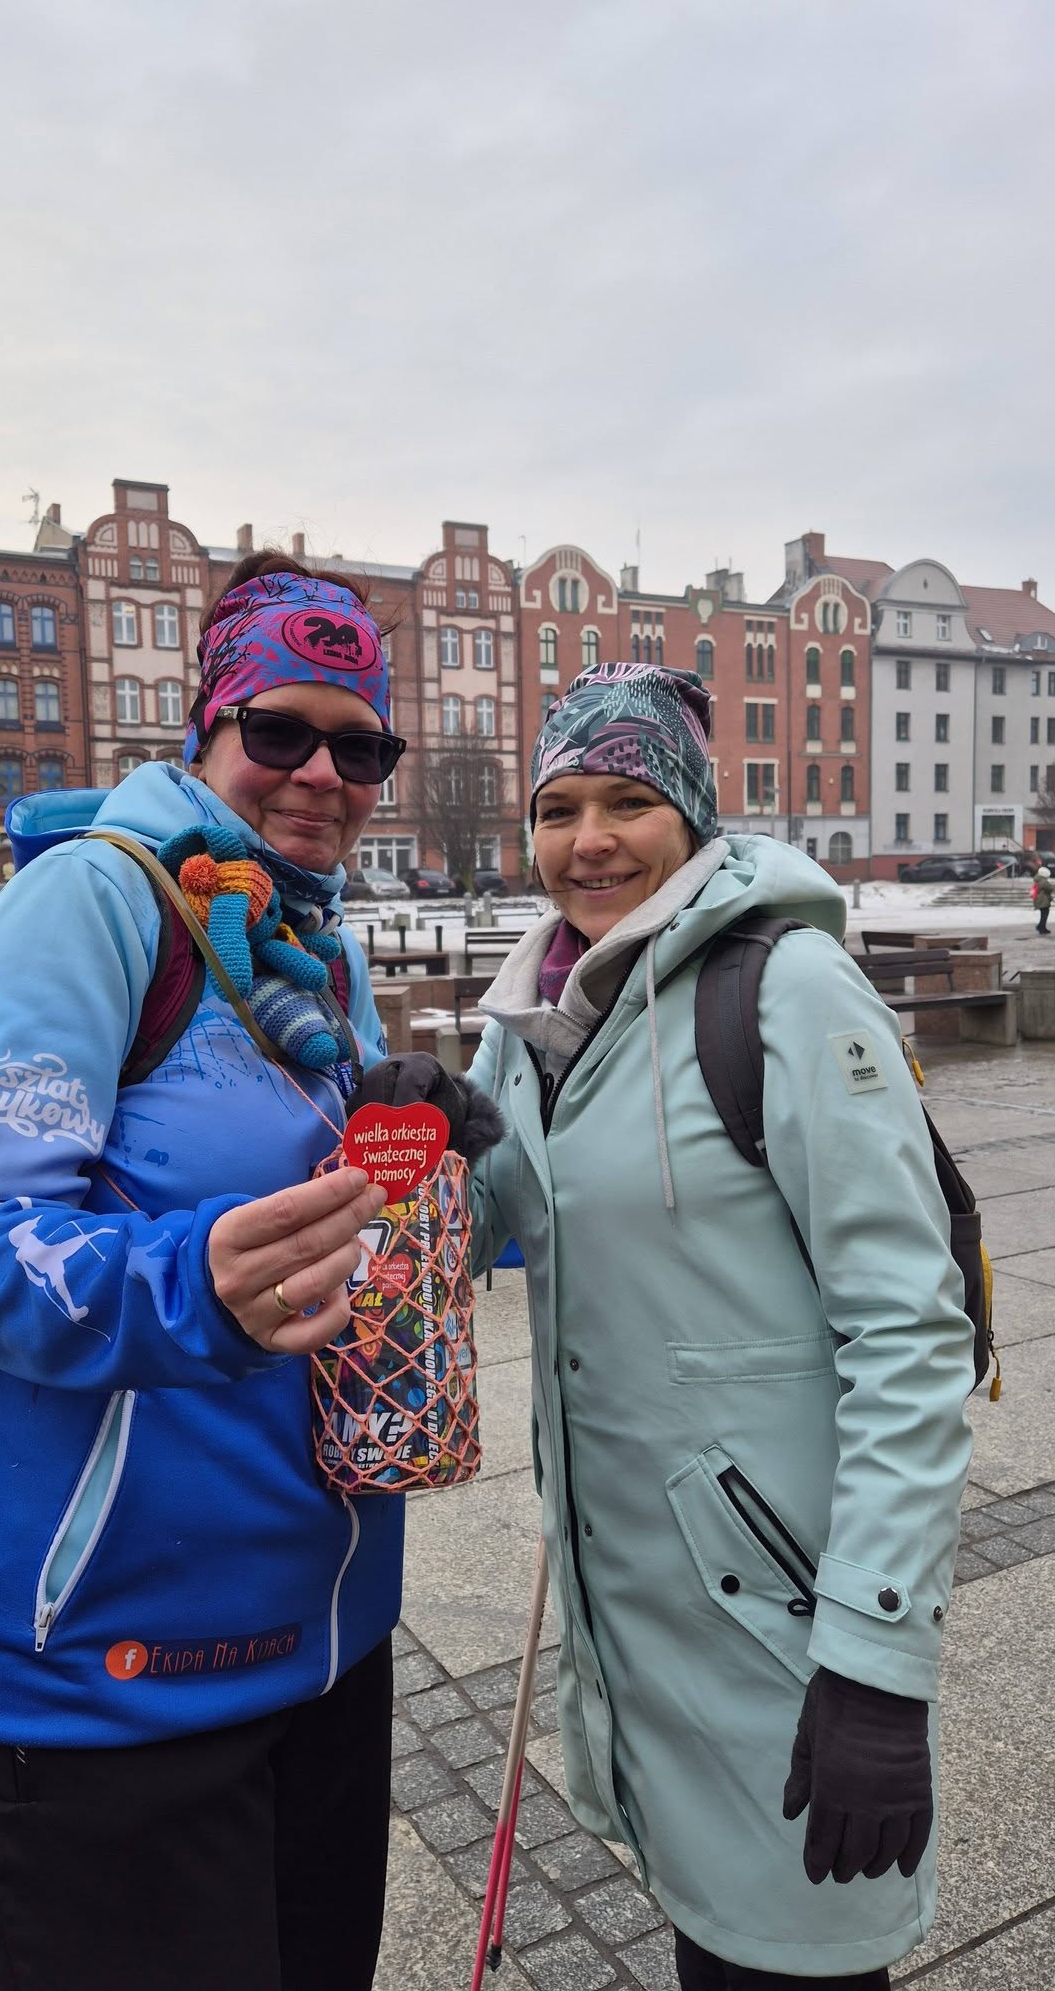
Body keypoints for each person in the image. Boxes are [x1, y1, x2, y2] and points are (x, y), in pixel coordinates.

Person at [0, 554, 495, 1991]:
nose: (320, 774)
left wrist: (451, 1161)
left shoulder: (315, 946)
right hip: (89, 1689)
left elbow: (337, 1225)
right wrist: (192, 1288)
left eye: (359, 746)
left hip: (321, 1653)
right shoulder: (91, 905)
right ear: (202, 727)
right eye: (278, 731)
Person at [364, 662, 974, 1988]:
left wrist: (877, 1659)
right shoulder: (537, 1016)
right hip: (647, 1609)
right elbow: (491, 1232)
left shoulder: (789, 990)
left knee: (791, 1955)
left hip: (784, 1613)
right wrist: (432, 1152)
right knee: (718, 1941)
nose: (587, 841)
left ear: (693, 817)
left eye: (628, 802)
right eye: (559, 806)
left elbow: (909, 1336)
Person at [1033, 864, 1051, 934]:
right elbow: (1049, 887)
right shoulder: (1042, 880)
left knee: (1044, 914)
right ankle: (1041, 928)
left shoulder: (1039, 879)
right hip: (1043, 900)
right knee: (1044, 915)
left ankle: (1041, 927)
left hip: (1041, 900)